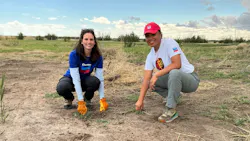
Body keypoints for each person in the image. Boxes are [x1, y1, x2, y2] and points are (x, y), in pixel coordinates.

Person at [135, 22, 200, 123]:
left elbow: (177, 64)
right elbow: (146, 79)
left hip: (191, 79)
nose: (150, 38)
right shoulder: (150, 56)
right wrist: (140, 100)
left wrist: (157, 74)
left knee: (174, 72)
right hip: (175, 80)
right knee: (151, 82)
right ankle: (173, 97)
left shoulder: (169, 43)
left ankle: (170, 110)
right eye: (147, 36)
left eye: (153, 34)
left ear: (160, 34)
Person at [56, 29, 108, 115]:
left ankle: (87, 99)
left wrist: (102, 99)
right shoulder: (74, 54)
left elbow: (100, 78)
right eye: (86, 39)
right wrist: (80, 101)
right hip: (71, 79)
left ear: (94, 42)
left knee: (95, 81)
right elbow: (76, 79)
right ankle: (69, 99)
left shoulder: (98, 57)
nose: (89, 42)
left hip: (84, 79)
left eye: (91, 39)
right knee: (62, 87)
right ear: (81, 41)